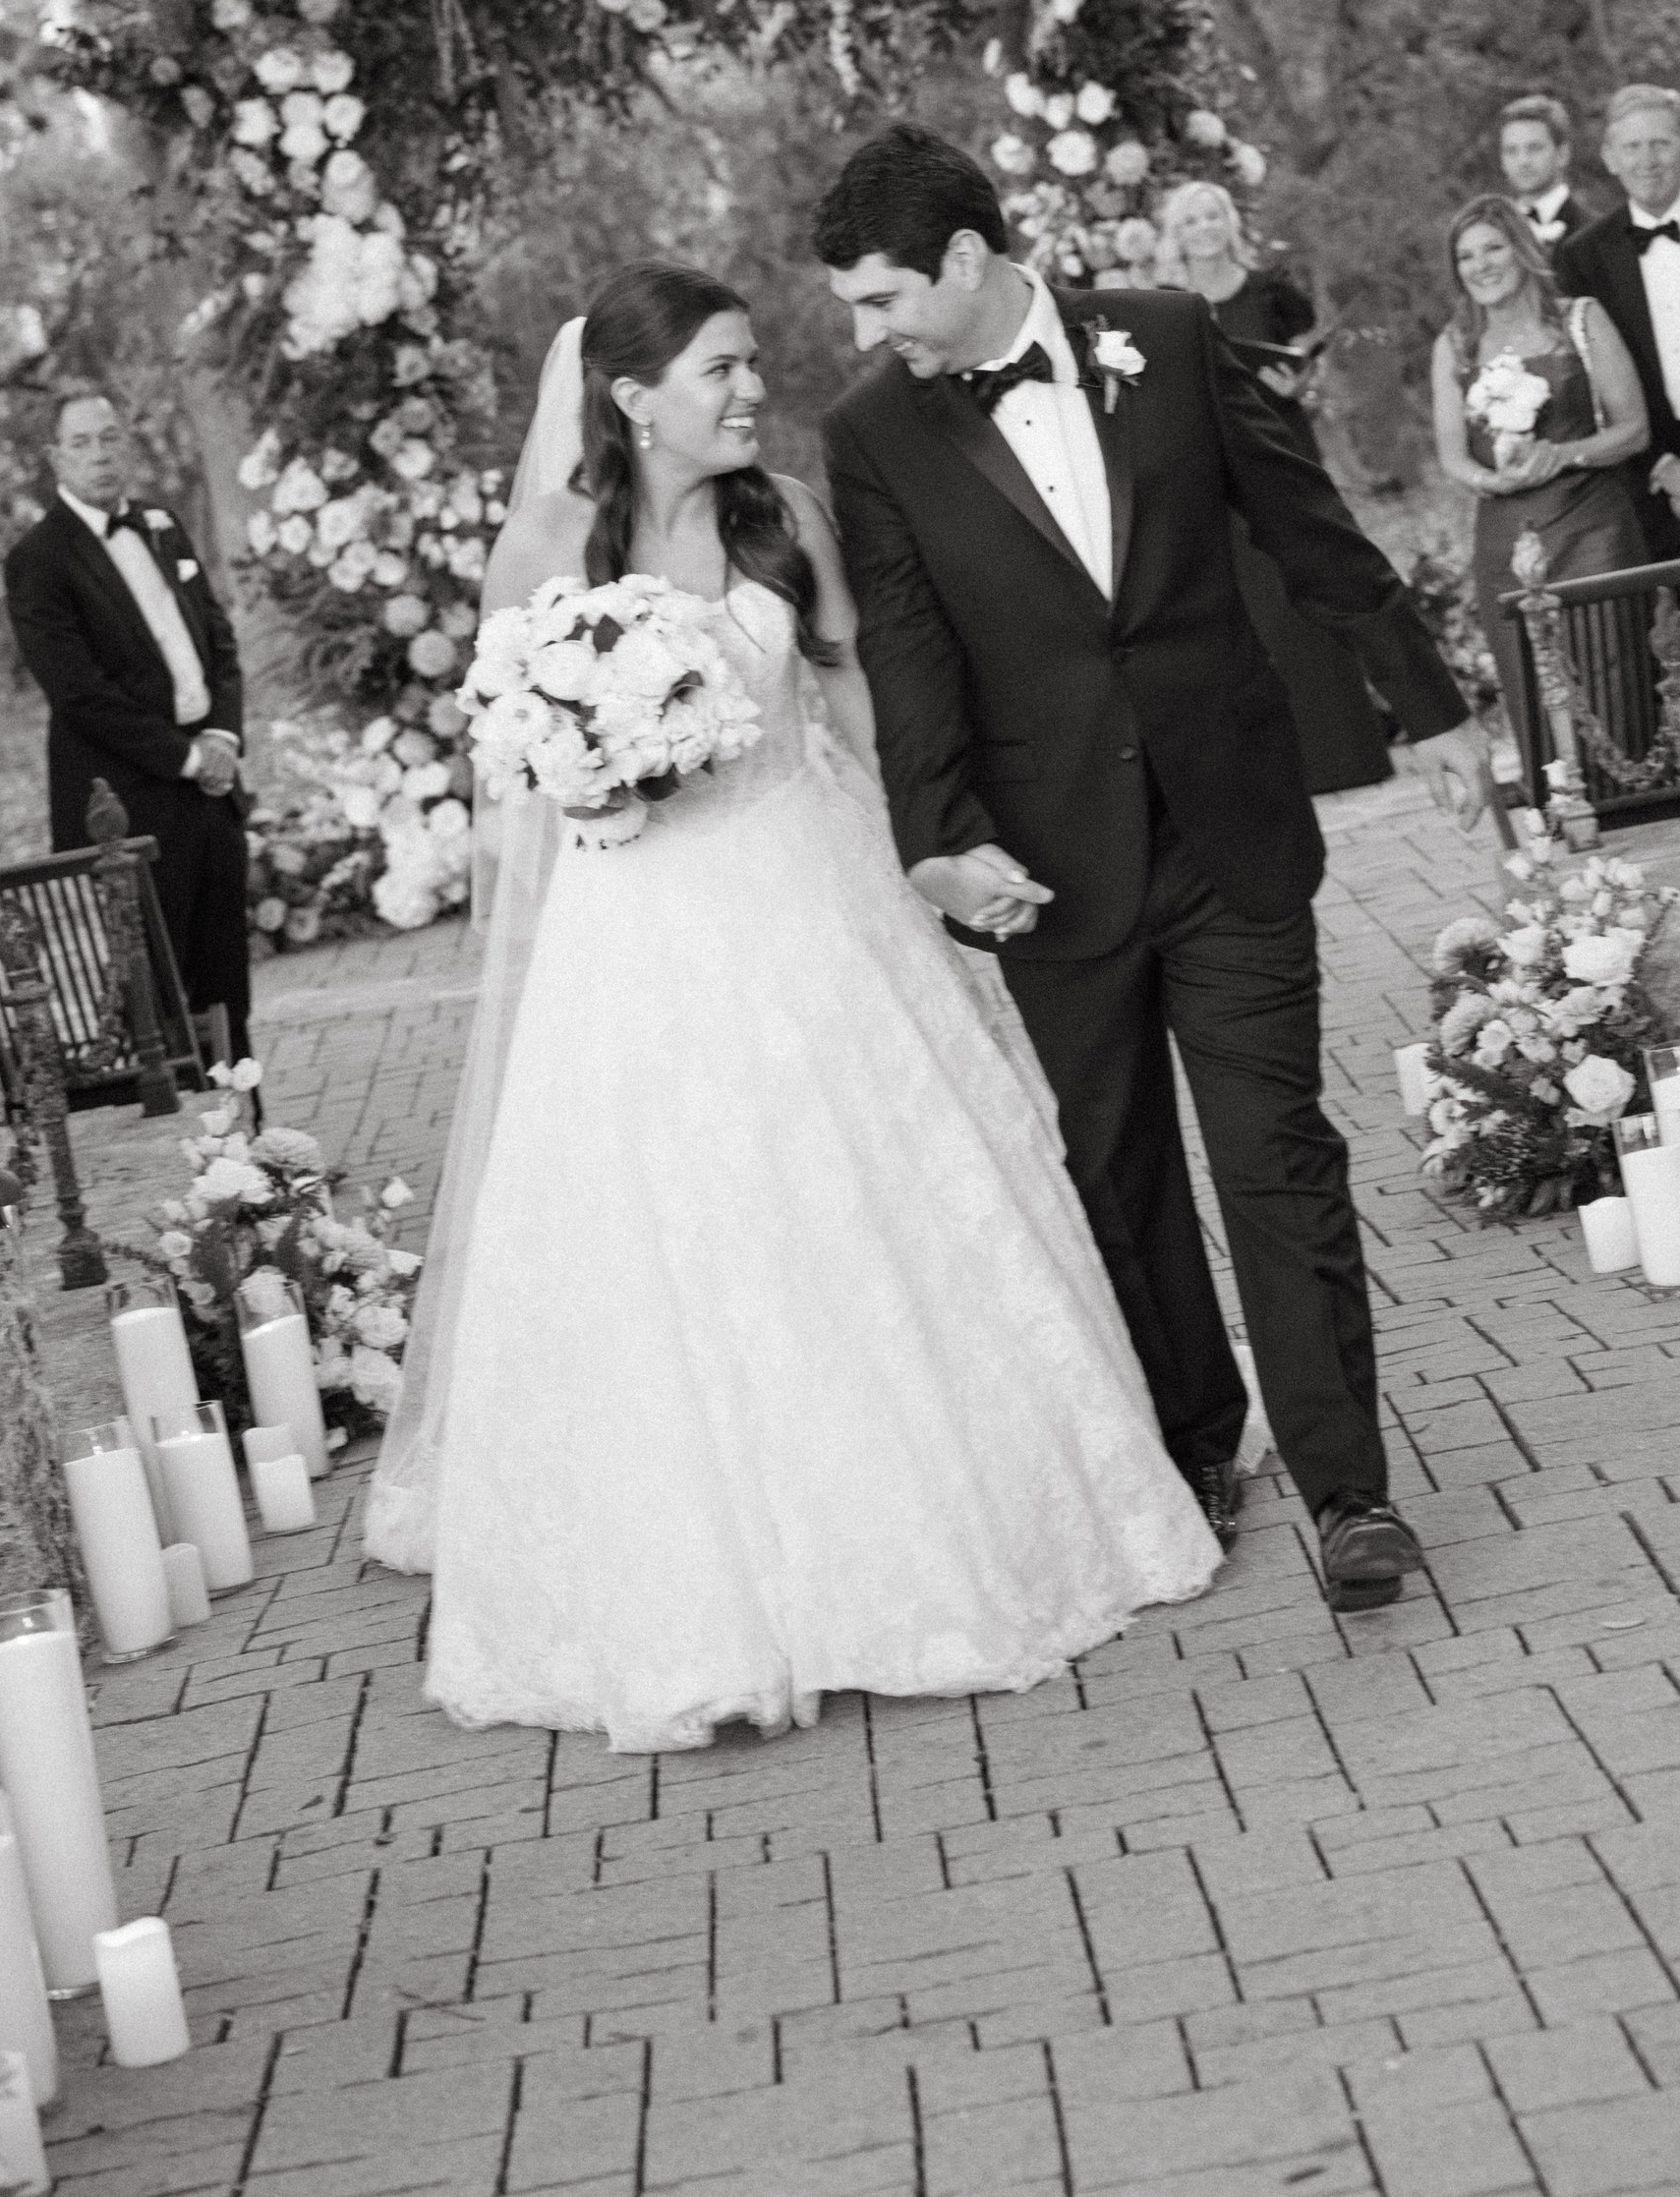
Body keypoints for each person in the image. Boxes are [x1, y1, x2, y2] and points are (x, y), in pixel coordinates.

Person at [361, 260, 1219, 1748]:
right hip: (638, 938)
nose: (754, 390)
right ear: (633, 400)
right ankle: (701, 1592)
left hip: (811, 900)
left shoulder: (785, 520)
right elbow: (508, 750)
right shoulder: (554, 551)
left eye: (754, 361)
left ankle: (922, 1545)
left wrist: (942, 855)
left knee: (862, 1205)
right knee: (673, 1239)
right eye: (720, 370)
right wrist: (596, 770)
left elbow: (866, 711)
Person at [815, 126, 1489, 1619]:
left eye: (881, 298)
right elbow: (911, 660)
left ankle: (1351, 1493)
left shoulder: (1171, 341)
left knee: (1276, 1158)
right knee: (1119, 1173)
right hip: (1053, 870)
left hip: (1230, 828)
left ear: (969, 263)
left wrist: (1430, 710)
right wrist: (937, 844)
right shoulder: (874, 435)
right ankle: (1196, 1446)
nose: (868, 333)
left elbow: (1310, 533)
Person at [2, 390, 251, 1056]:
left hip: (213, 787)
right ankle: (198, 1150)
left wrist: (222, 737)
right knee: (162, 1001)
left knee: (229, 982)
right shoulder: (40, 558)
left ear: (128, 444)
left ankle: (251, 1145)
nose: (100, 454)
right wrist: (189, 758)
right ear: (55, 457)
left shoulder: (162, 524)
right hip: (129, 802)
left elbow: (218, 642)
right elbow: (80, 694)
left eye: (110, 437)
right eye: (81, 443)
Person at [1151, 182, 1392, 795]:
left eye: (1213, 216)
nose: (1203, 228)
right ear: (1175, 235)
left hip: (1285, 450)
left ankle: (1348, 755)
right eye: (1190, 220)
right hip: (1217, 468)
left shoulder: (1272, 289)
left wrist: (1302, 386)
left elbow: (1314, 366)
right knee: (1257, 605)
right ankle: (1283, 765)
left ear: (1230, 224)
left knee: (1308, 589)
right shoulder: (1166, 307)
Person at [1432, 196, 1651, 770]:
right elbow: (1452, 456)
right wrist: (1489, 479)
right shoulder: (1454, 345)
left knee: (1611, 661)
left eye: (1493, 248)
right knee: (1530, 673)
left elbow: (1633, 430)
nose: (1481, 265)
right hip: (1505, 537)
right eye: (1466, 256)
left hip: (1592, 526)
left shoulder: (1581, 319)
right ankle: (1561, 803)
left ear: (1523, 250)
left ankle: (1634, 791)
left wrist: (1565, 455)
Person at [1558, 87, 1680, 555]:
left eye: (1661, 144)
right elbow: (1588, 385)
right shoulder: (1581, 256)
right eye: (1631, 147)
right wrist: (1665, 469)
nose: (1646, 160)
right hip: (1650, 485)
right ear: (1609, 157)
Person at [1496, 93, 1605, 256]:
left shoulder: (1598, 233)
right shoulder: (1494, 231)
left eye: (1534, 148)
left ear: (1562, 154)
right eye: (1511, 151)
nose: (1523, 161)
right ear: (1502, 160)